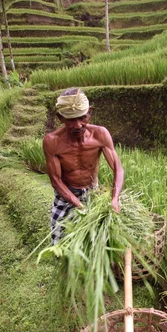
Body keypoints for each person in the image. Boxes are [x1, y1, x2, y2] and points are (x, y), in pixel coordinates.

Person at [43, 87, 124, 245]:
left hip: (93, 193)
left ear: (90, 112)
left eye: (82, 117)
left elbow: (117, 168)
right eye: (71, 120)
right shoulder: (52, 141)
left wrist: (115, 198)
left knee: (98, 243)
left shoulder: (100, 134)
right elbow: (56, 180)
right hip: (66, 196)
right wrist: (78, 204)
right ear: (60, 117)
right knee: (60, 243)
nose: (78, 125)